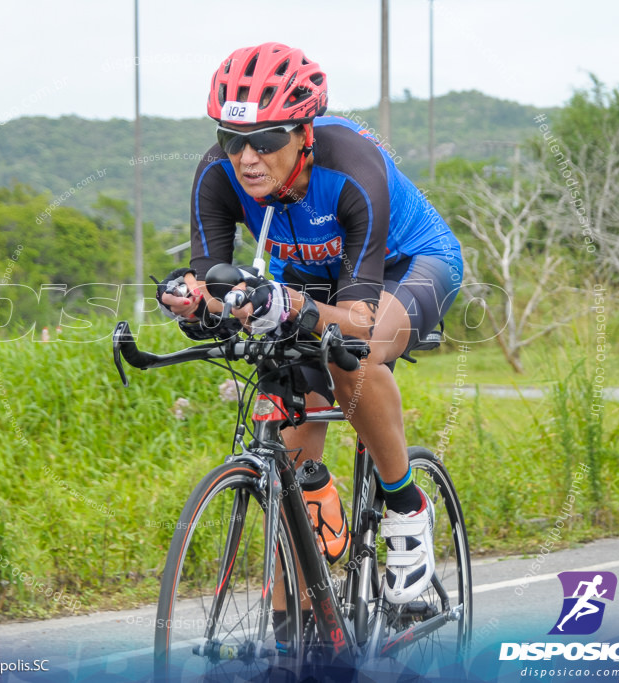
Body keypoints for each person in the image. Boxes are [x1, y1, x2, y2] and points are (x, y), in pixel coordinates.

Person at [156, 42, 463, 649]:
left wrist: (290, 304)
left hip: (409, 265)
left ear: (304, 132)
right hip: (311, 282)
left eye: (266, 140)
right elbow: (216, 285)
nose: (246, 158)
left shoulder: (351, 165)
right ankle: (294, 637)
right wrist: (195, 302)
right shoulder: (216, 176)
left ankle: (405, 507)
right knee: (286, 449)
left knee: (355, 351)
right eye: (230, 139)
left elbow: (354, 318)